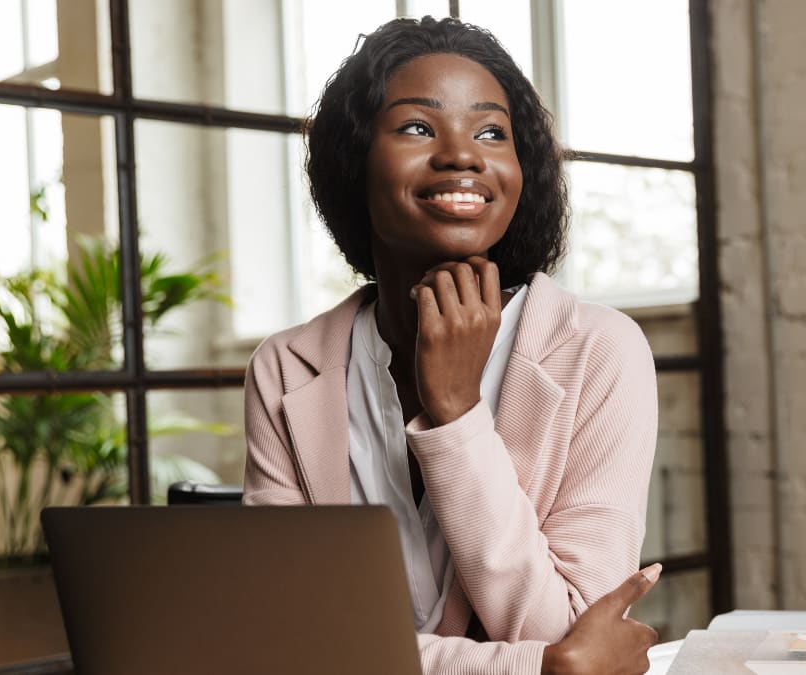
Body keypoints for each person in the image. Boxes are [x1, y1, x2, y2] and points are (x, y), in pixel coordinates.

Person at [243, 15, 660, 674]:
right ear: (354, 159)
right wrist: (533, 667)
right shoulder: (286, 368)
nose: (463, 153)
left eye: (492, 132)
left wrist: (459, 415)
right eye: (416, 126)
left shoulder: (600, 351)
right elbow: (281, 634)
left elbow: (578, 631)